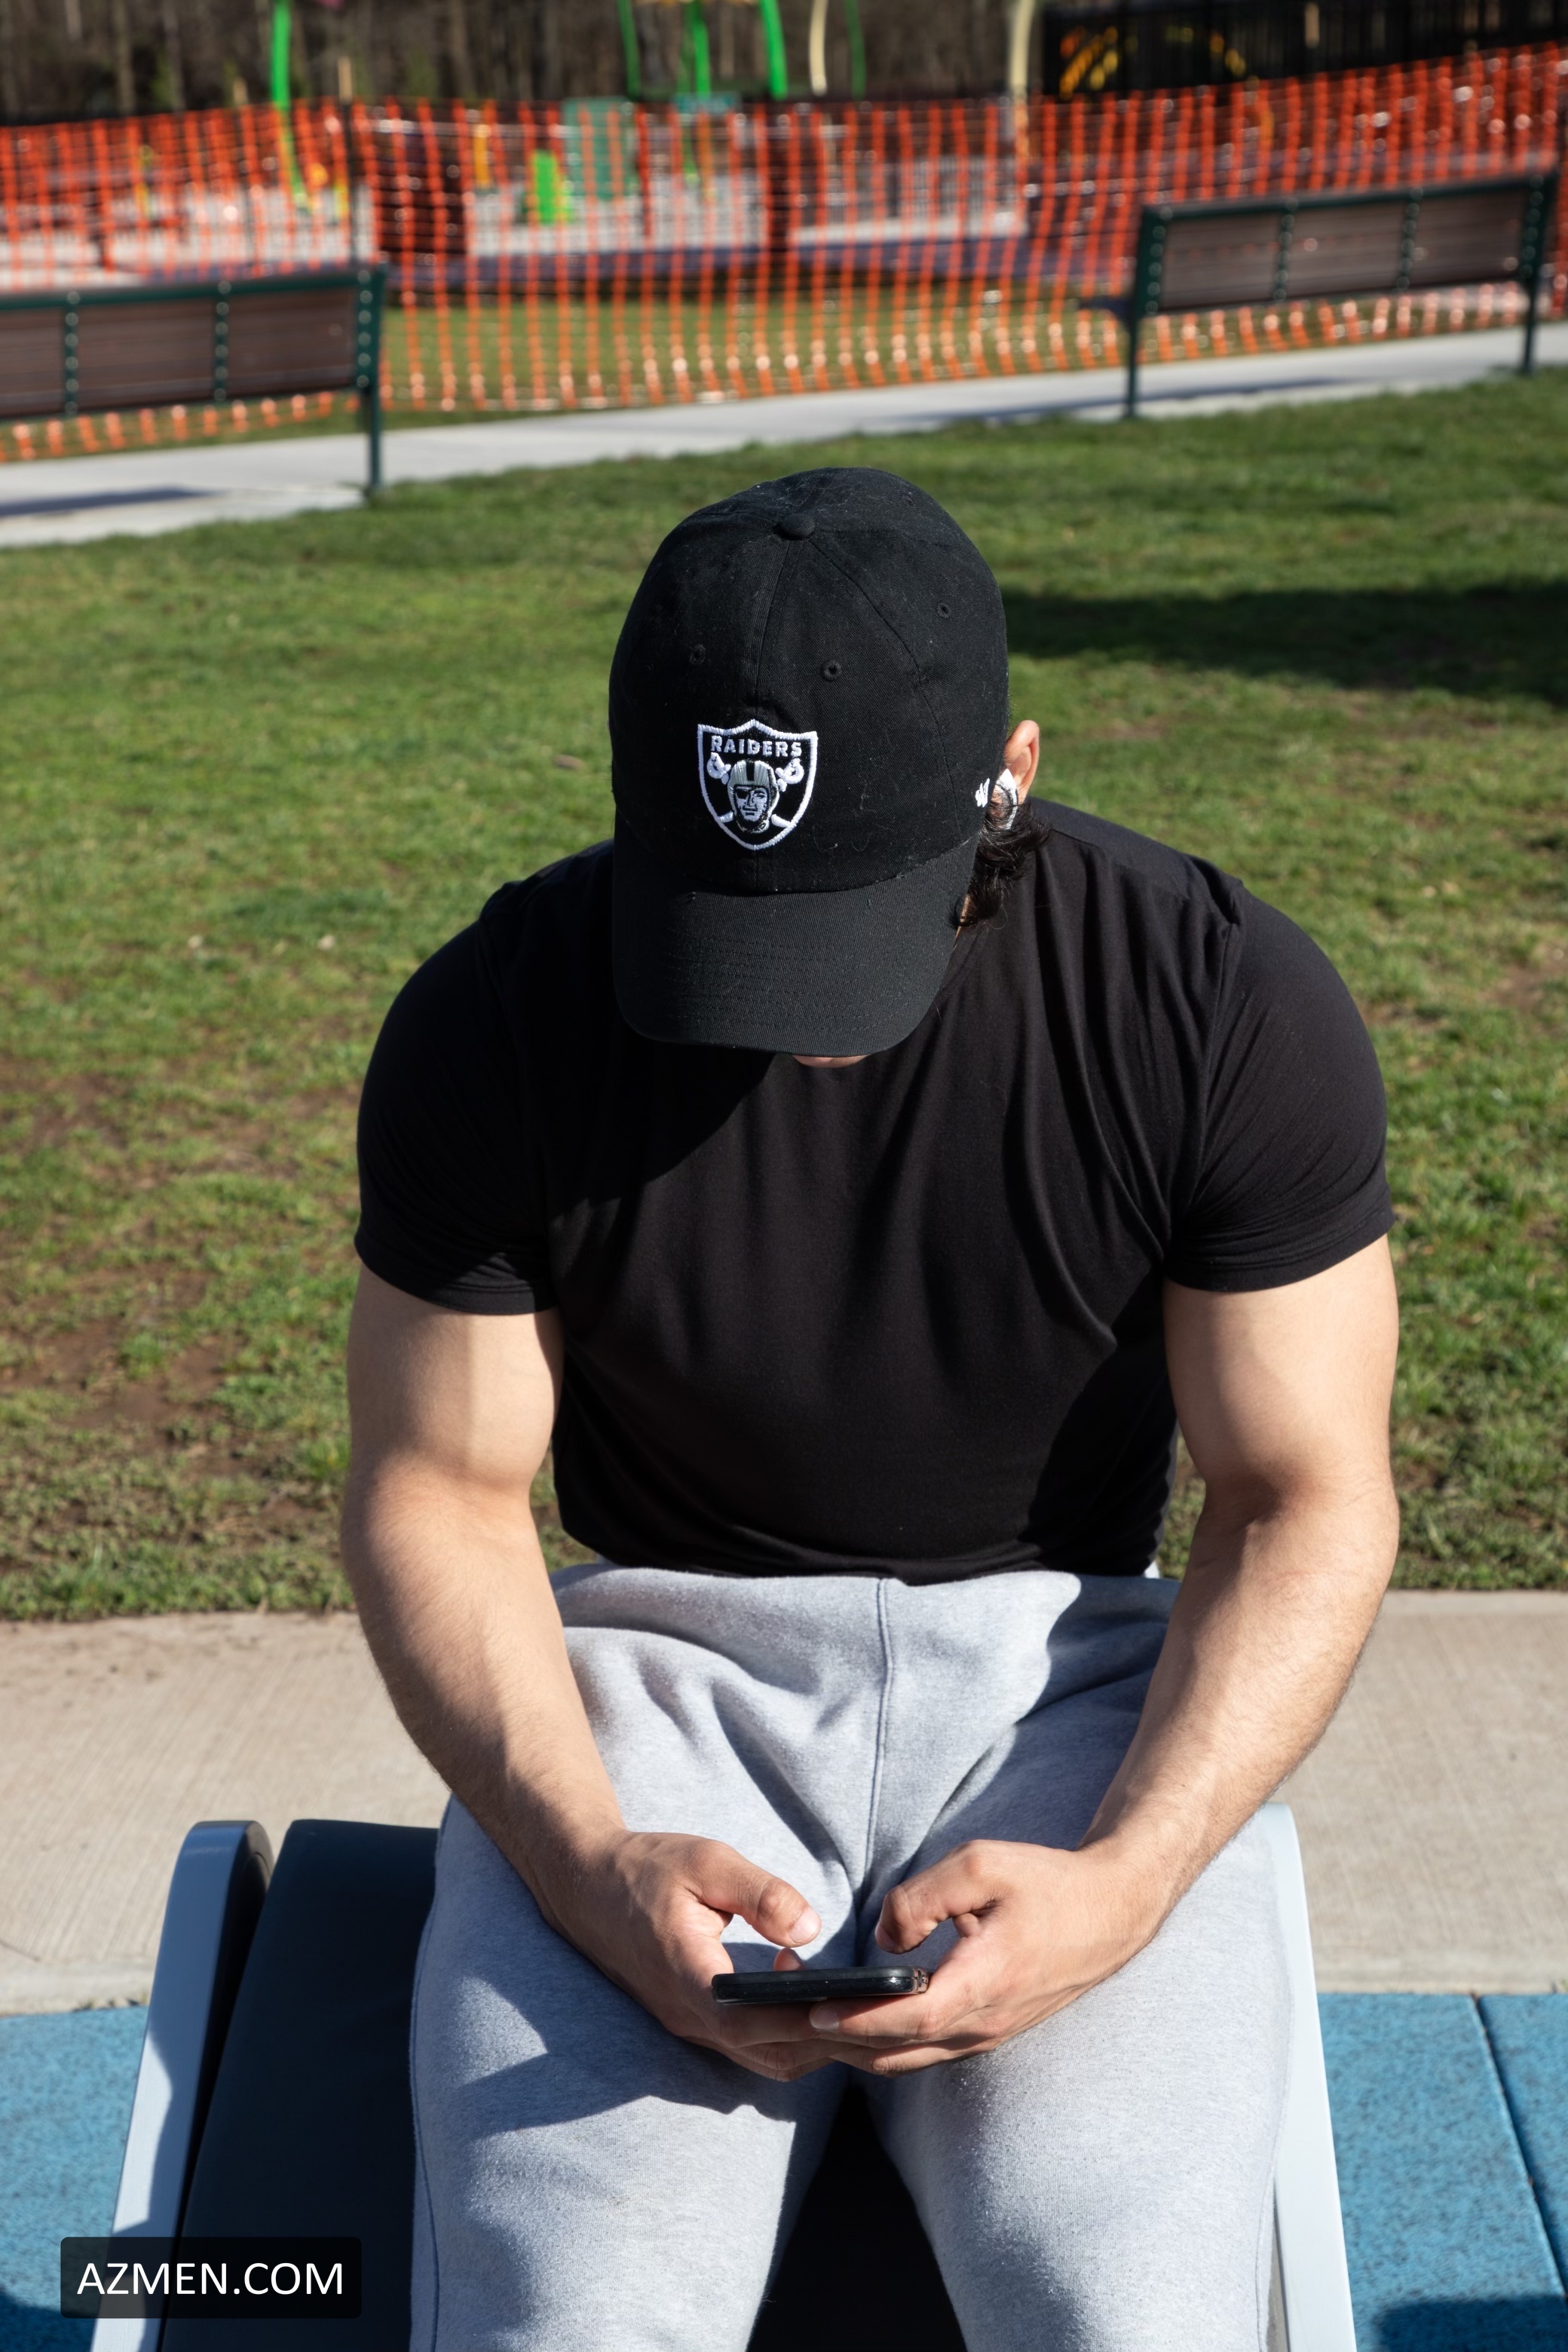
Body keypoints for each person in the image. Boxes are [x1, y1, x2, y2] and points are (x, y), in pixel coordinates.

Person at [343, 466, 1399, 2352]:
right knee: (565, 2316)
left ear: (1009, 774)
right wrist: (585, 1864)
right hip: (661, 1691)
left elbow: (1298, 1488)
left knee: (1125, 2310)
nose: (784, 1013)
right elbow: (437, 1492)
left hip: (1061, 1689)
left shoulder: (1215, 999)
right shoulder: (494, 1016)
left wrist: (1128, 1879)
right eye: (726, 921)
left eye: (844, 923)